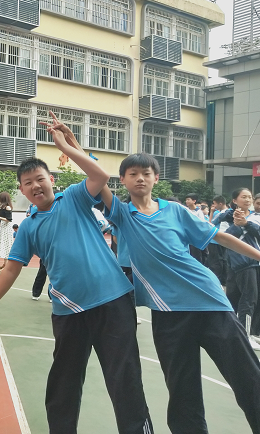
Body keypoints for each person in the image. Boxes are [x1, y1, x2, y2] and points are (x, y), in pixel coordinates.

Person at [0, 113, 153, 434]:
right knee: (63, 387)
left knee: (125, 383)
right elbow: (11, 269)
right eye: (28, 182)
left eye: (39, 178)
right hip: (69, 312)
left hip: (113, 301)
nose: (35, 185)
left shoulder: (75, 197)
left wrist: (67, 145)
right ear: (21, 190)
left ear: (51, 179)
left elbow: (100, 174)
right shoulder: (29, 227)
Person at [101, 153, 260, 434]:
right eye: (133, 173)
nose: (140, 178)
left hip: (209, 301)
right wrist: (70, 144)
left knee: (248, 376)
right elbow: (96, 177)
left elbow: (218, 237)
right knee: (182, 392)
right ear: (122, 180)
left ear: (156, 178)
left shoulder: (175, 210)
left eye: (146, 173)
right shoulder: (122, 214)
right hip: (168, 313)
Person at [212, 188, 260, 348]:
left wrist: (246, 224)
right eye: (243, 197)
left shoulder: (254, 217)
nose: (247, 200)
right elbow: (224, 238)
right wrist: (238, 225)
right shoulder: (227, 217)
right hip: (241, 263)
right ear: (234, 200)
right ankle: (243, 336)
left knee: (248, 299)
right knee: (247, 299)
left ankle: (248, 333)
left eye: (249, 197)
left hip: (254, 262)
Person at [207, 195, 230, 287]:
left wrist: (212, 212)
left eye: (214, 204)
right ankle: (223, 280)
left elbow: (210, 223)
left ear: (220, 204)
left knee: (216, 261)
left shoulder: (221, 213)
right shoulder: (230, 212)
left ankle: (216, 280)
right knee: (224, 260)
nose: (214, 206)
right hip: (225, 240)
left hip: (216, 240)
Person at [0, 192, 14, 270]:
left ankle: (7, 265)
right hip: (3, 227)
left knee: (6, 245)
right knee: (4, 245)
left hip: (6, 228)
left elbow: (9, 219)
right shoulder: (3, 207)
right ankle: (5, 263)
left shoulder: (8, 207)